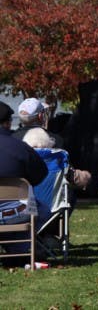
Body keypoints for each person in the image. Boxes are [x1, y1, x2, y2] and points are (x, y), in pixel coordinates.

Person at [0, 101, 47, 264]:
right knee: (43, 209)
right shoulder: (20, 147)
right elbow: (40, 175)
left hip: (12, 213)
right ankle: (17, 250)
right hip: (16, 214)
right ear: (8, 123)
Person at [13, 98, 91, 191]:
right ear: (41, 115)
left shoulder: (11, 140)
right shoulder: (56, 141)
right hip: (51, 196)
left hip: (20, 196)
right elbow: (67, 172)